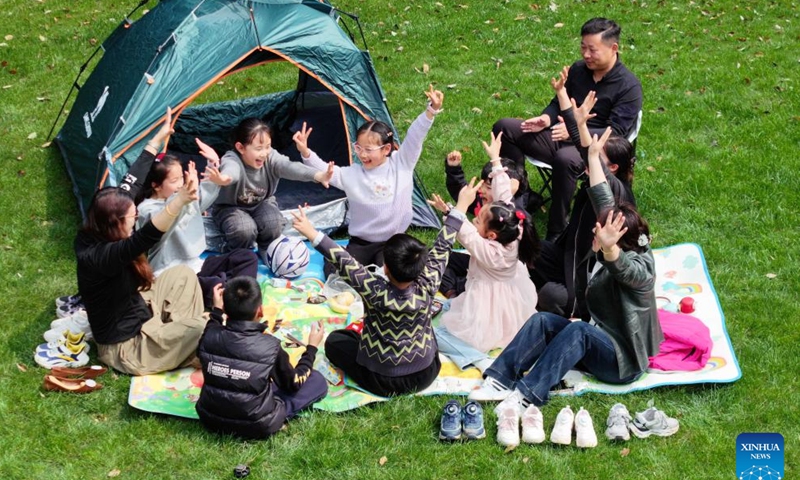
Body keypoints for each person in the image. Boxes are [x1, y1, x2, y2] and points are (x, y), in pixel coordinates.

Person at [468, 128, 663, 412]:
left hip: (622, 361)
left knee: (579, 331)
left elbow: (626, 271)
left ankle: (526, 396)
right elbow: (601, 194)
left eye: (600, 232)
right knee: (543, 321)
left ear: (618, 239)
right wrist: (593, 156)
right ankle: (499, 380)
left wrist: (609, 250)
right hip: (598, 339)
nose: (594, 233)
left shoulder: (640, 268)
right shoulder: (609, 231)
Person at [290, 181, 472, 397]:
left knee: (336, 341)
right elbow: (443, 245)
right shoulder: (430, 281)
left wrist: (311, 232)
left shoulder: (373, 288)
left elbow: (343, 260)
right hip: (425, 372)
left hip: (381, 379)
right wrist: (460, 207)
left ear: (385, 269)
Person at [75, 108, 209, 375]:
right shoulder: (101, 256)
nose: (135, 220)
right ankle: (183, 344)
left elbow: (130, 183)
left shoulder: (102, 220)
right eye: (131, 219)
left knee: (182, 275)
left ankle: (179, 343)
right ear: (115, 224)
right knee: (207, 325)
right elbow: (147, 236)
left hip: (139, 310)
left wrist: (156, 140)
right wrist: (181, 198)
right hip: (127, 347)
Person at [492, 17, 642, 241]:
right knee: (505, 127)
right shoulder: (579, 70)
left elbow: (618, 132)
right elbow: (557, 104)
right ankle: (521, 197)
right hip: (559, 134)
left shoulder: (629, 86)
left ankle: (557, 230)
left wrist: (576, 132)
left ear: (614, 48)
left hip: (593, 151)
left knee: (565, 159)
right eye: (583, 47)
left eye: (592, 49)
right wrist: (545, 118)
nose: (586, 55)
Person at [299, 85, 444, 273]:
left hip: (393, 242)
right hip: (361, 243)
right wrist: (305, 152)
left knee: (396, 272)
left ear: (386, 149)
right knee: (335, 269)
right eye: (359, 148)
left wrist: (430, 111)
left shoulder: (402, 164)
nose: (362, 154)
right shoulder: (351, 175)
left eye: (369, 150)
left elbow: (415, 137)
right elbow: (324, 171)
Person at [532, 67, 637, 318]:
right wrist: (565, 101)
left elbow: (586, 150)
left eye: (597, 157)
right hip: (568, 256)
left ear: (612, 168)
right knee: (528, 245)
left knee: (550, 294)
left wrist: (578, 124)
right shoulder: (598, 181)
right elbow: (584, 148)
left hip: (590, 278)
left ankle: (563, 312)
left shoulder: (613, 193)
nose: (589, 159)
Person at [429, 133, 539, 371]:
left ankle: (476, 360)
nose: (475, 220)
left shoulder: (486, 250)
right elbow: (505, 197)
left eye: (478, 221)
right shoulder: (513, 227)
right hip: (511, 295)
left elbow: (462, 231)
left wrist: (457, 208)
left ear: (490, 235)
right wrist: (496, 161)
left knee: (443, 335)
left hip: (487, 303)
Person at [195, 277, 328, 439]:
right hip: (257, 424)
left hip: (210, 417)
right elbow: (293, 384)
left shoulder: (210, 335)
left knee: (256, 379)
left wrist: (216, 311)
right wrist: (312, 348)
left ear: (225, 308)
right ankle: (280, 413)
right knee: (316, 380)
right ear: (260, 311)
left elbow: (211, 328)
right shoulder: (270, 346)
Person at [134, 147, 258, 308]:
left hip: (195, 265)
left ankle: (243, 295)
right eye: (174, 181)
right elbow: (169, 216)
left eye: (181, 178)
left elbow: (201, 197)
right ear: (156, 185)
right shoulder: (146, 211)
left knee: (246, 257)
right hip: (171, 276)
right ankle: (235, 304)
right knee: (216, 284)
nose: (180, 184)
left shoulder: (179, 196)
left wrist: (213, 165)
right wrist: (183, 198)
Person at [210, 116, 334, 259]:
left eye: (268, 147)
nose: (264, 153)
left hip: (261, 202)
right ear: (240, 148)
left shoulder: (271, 157)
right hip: (230, 207)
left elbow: (289, 167)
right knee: (244, 229)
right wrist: (224, 178)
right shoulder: (232, 159)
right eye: (258, 148)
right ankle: (237, 255)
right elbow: (231, 171)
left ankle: (268, 250)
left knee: (273, 223)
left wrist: (318, 175)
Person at [440, 150, 531, 298]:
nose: (481, 190)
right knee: (443, 258)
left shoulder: (497, 242)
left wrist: (450, 214)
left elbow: (466, 233)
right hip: (485, 267)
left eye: (489, 187)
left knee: (441, 263)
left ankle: (454, 291)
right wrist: (454, 169)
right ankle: (453, 290)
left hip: (490, 284)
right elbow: (465, 194)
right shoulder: (502, 210)